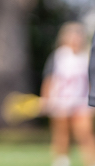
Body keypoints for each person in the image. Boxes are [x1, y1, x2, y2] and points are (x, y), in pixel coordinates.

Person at [42, 22, 95, 166]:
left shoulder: (86, 57)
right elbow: (49, 79)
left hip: (80, 102)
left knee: (85, 134)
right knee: (61, 135)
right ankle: (61, 162)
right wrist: (47, 100)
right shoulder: (58, 56)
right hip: (60, 102)